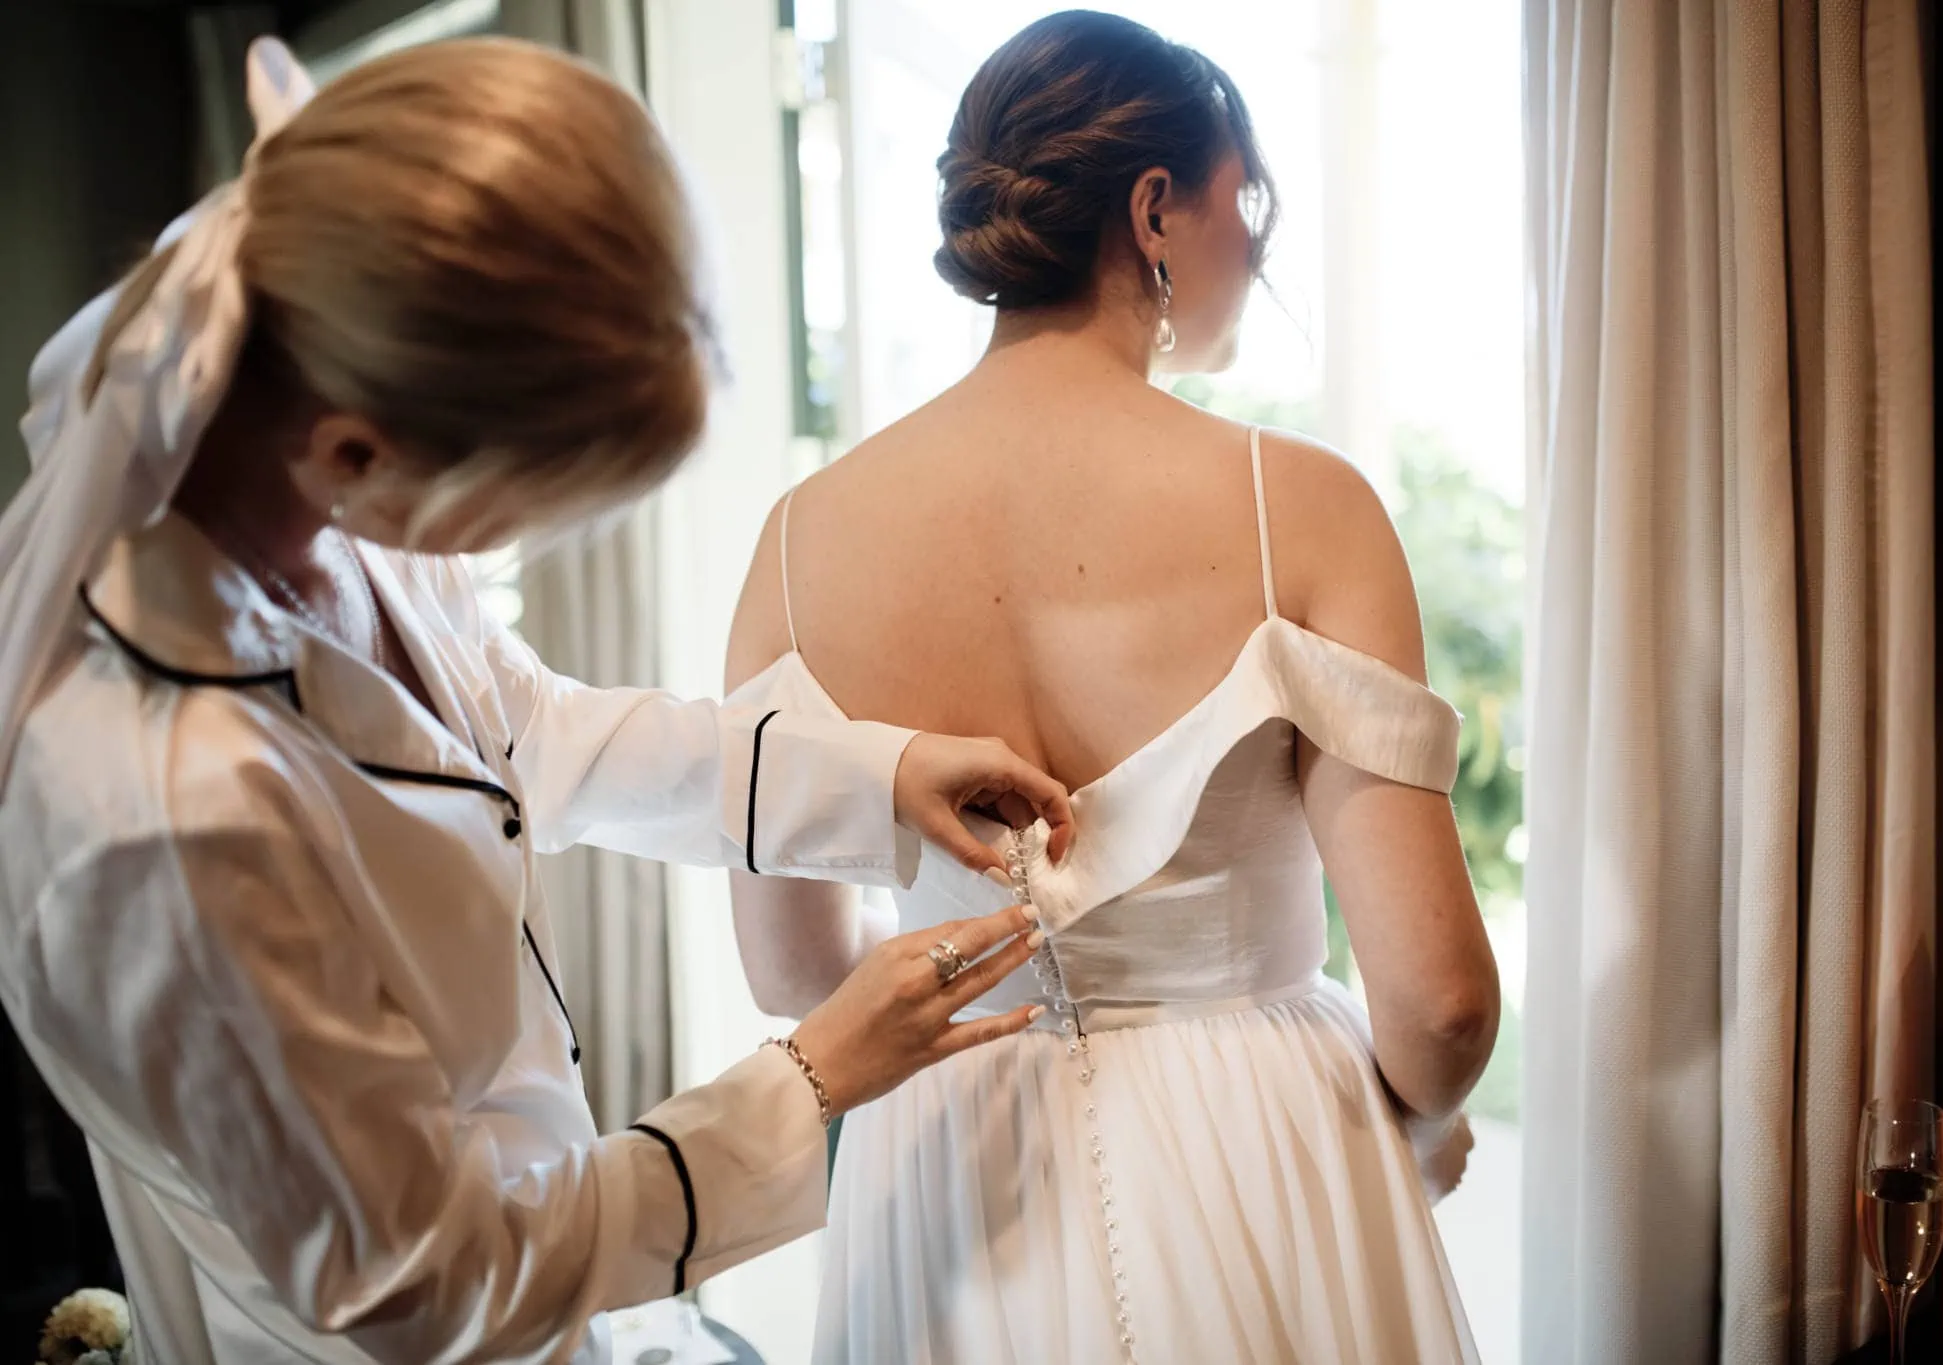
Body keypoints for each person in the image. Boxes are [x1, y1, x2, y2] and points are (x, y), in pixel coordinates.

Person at [0, 36, 1079, 1365]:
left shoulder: (329, 498)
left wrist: (872, 774)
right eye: (522, 512)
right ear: (360, 451)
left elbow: (525, 731)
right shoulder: (158, 818)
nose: (501, 550)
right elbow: (428, 1282)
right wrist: (807, 1084)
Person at [724, 11, 1500, 1363]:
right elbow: (1440, 1003)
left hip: (948, 1167)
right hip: (1262, 1147)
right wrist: (1419, 1127)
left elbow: (792, 968)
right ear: (1153, 209)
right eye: (1245, 200)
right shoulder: (1298, 509)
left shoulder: (796, 542)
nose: (1257, 245)